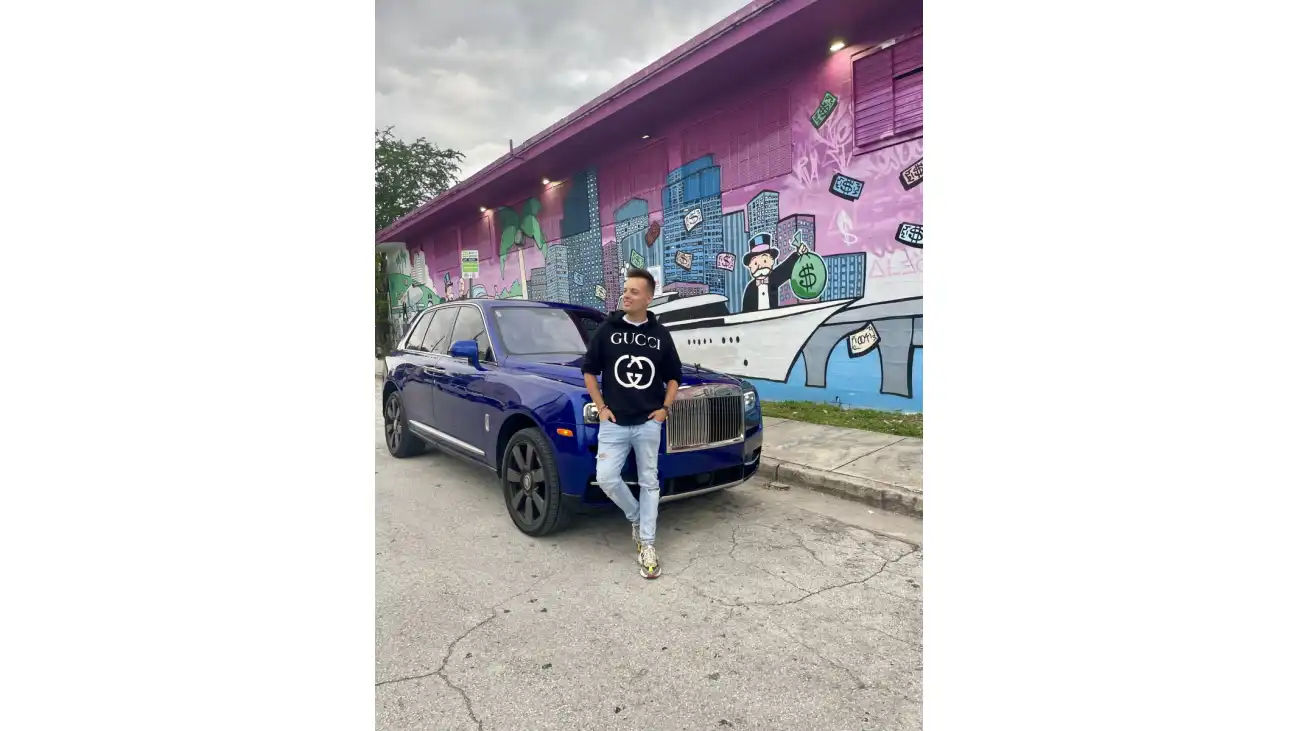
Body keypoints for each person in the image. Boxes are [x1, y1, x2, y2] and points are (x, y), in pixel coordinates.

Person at [581, 267, 682, 579]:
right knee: (606, 477)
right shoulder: (607, 330)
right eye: (625, 290)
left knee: (649, 482)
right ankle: (637, 517)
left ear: (648, 298)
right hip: (614, 422)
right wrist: (601, 407)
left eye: (633, 292)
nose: (626, 295)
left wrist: (664, 409)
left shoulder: (660, 335)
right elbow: (589, 371)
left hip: (649, 422)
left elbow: (674, 376)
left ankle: (647, 543)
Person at [740, 231, 810, 313]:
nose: (760, 266)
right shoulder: (750, 288)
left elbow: (785, 268)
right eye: (755, 263)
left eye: (765, 261)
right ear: (750, 266)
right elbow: (745, 311)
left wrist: (798, 253)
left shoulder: (773, 279)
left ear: (772, 261)